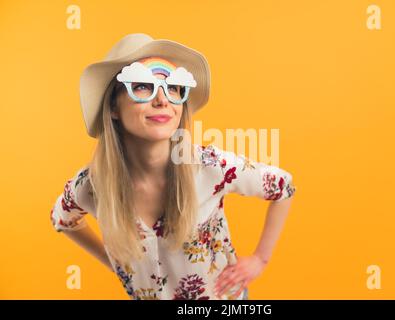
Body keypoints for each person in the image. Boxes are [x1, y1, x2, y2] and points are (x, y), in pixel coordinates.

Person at [50, 33, 296, 300]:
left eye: (173, 88)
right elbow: (61, 219)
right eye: (143, 86)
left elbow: (284, 186)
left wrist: (260, 259)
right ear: (113, 107)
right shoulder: (91, 186)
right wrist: (115, 264)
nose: (162, 100)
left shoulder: (209, 167)